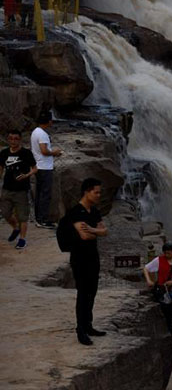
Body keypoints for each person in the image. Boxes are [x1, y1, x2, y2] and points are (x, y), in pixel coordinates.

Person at [67, 178, 108, 346]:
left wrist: (93, 230)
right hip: (79, 257)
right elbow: (85, 235)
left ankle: (88, 325)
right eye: (96, 192)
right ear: (86, 191)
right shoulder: (76, 212)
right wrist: (95, 232)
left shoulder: (94, 211)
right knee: (83, 293)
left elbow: (104, 231)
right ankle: (80, 329)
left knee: (92, 291)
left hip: (93, 256)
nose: (99, 195)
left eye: (99, 192)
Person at [0, 130, 37, 249]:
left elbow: (35, 168)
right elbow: (0, 168)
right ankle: (15, 228)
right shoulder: (4, 153)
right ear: (8, 139)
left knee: (23, 216)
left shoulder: (26, 153)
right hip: (6, 188)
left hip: (21, 190)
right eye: (11, 138)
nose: (13, 141)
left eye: (16, 139)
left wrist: (27, 175)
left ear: (20, 139)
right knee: (5, 213)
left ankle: (22, 239)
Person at [143, 242, 172, 335]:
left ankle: (170, 331)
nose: (167, 255)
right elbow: (146, 268)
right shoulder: (159, 260)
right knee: (165, 311)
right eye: (165, 253)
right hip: (162, 290)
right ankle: (167, 332)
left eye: (169, 253)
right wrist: (149, 280)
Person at [30, 112, 62, 228]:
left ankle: (38, 218)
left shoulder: (35, 132)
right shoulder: (42, 134)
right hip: (45, 168)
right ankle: (42, 220)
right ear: (48, 121)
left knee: (39, 193)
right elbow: (44, 151)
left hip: (39, 166)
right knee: (45, 194)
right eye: (51, 120)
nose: (51, 122)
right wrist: (55, 153)